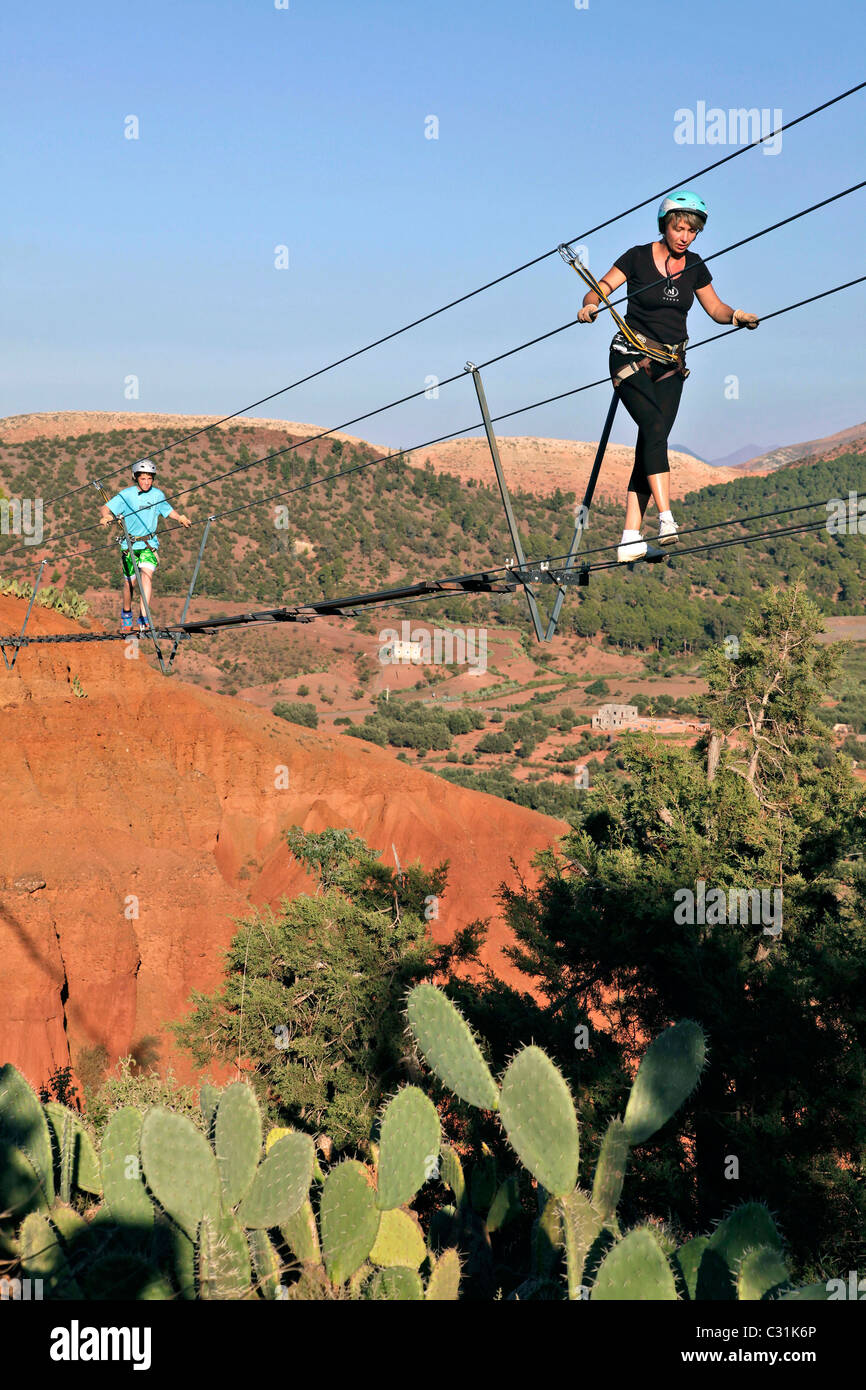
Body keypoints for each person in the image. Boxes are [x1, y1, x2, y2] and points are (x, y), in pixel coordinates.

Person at [577, 190, 759, 561]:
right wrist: (590, 305)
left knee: (652, 439)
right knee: (655, 428)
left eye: (692, 231)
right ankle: (666, 518)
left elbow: (715, 308)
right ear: (665, 225)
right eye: (679, 229)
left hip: (671, 364)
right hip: (630, 356)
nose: (685, 237)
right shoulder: (636, 257)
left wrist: (736, 316)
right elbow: (600, 288)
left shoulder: (695, 266)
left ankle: (630, 537)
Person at [98, 460, 191, 632]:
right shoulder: (127, 495)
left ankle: (144, 616)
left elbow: (167, 510)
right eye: (143, 478)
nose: (147, 482)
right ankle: (127, 613)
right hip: (129, 545)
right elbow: (106, 508)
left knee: (147, 577)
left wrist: (179, 517)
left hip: (149, 543)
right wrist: (107, 516)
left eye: (150, 478)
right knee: (130, 583)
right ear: (136, 478)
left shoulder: (157, 495)